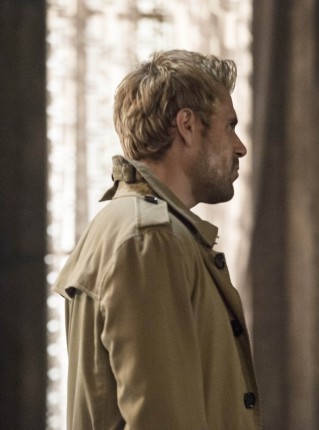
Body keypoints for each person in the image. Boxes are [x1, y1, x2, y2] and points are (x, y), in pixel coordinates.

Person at [53, 49, 261, 429]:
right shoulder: (149, 239)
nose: (240, 146)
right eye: (229, 126)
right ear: (187, 126)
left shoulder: (128, 225)